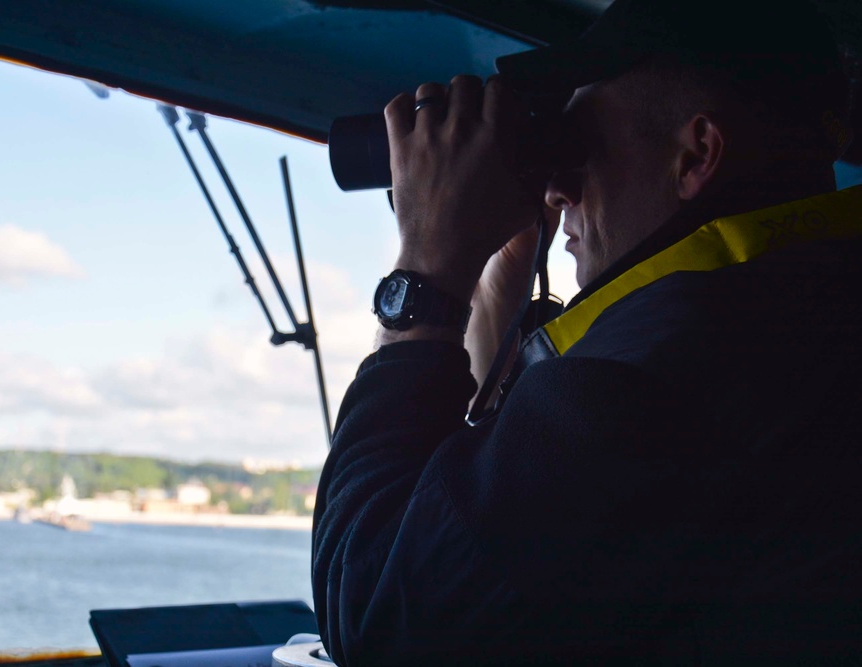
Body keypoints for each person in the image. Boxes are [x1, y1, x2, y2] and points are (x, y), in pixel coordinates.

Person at [312, 0, 862, 664]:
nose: (556, 192)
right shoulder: (799, 315)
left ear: (696, 155)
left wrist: (428, 269)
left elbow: (374, 613)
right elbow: (488, 493)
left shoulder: (654, 381)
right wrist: (496, 281)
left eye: (582, 146)